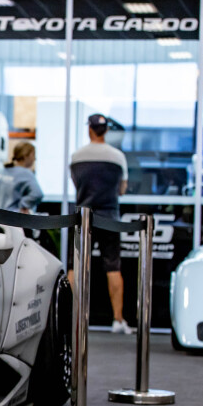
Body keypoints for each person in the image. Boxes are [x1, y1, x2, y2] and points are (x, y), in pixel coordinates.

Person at [68, 113, 133, 334]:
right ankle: (118, 320)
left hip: (83, 217)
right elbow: (122, 189)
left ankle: (70, 315)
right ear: (106, 131)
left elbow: (77, 185)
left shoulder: (77, 156)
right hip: (109, 218)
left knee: (75, 267)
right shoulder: (118, 157)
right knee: (113, 267)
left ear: (90, 129)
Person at [0, 142, 44, 214]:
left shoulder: (0, 171)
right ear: (26, 156)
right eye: (33, 155)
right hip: (12, 218)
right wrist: (22, 206)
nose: (35, 159)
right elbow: (37, 194)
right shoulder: (26, 174)